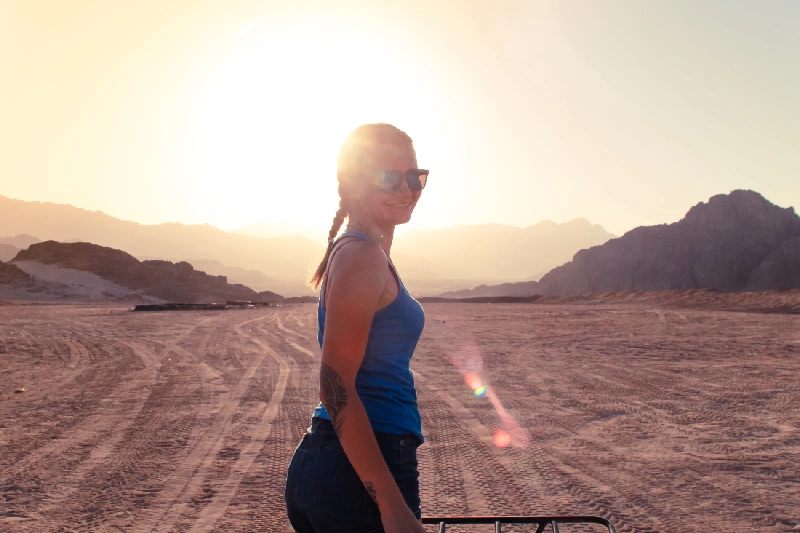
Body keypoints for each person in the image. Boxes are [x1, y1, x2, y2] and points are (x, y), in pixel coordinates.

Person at [284, 123, 429, 533]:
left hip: (338, 466)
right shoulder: (362, 255)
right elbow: (336, 387)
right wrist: (392, 505)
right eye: (388, 176)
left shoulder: (363, 251)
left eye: (415, 176)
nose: (408, 189)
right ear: (353, 182)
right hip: (362, 471)